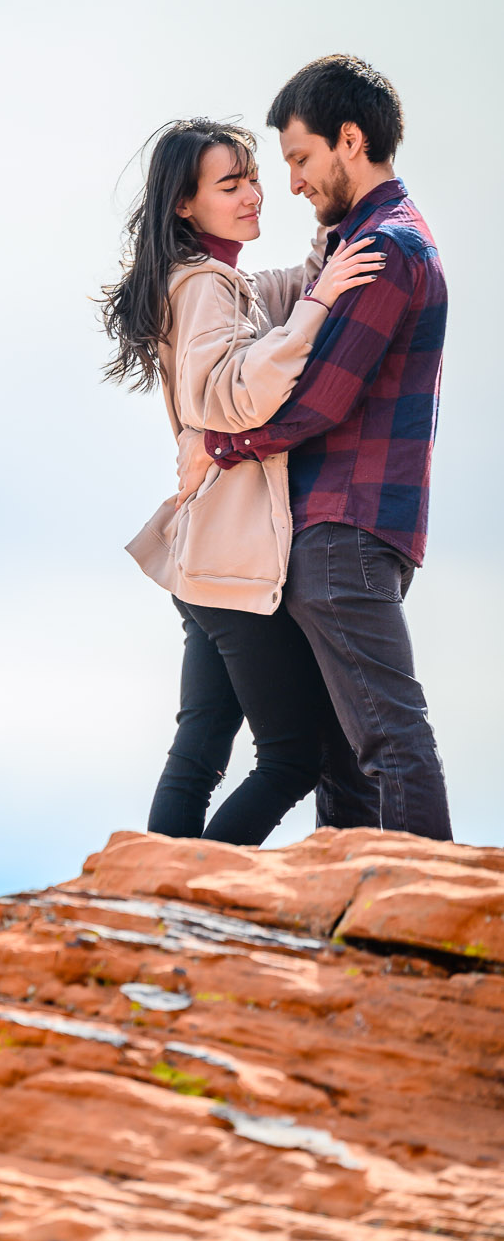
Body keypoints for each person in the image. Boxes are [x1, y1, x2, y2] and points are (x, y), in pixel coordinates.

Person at [183, 56, 452, 840]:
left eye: (299, 159)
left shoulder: (386, 250)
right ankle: (355, 928)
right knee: (341, 753)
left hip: (344, 530)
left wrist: (219, 444)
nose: (290, 182)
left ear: (349, 139)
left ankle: (418, 929)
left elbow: (319, 398)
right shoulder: (357, 242)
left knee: (387, 738)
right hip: (339, 531)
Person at [102, 119, 382, 844]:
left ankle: (154, 904)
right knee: (293, 757)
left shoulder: (217, 281)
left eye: (252, 178)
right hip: (230, 562)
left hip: (204, 561)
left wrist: (328, 244)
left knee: (197, 753)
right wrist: (320, 308)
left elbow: (270, 296)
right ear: (183, 205)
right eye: (230, 185)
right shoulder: (203, 288)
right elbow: (230, 397)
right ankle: (191, 906)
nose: (254, 194)